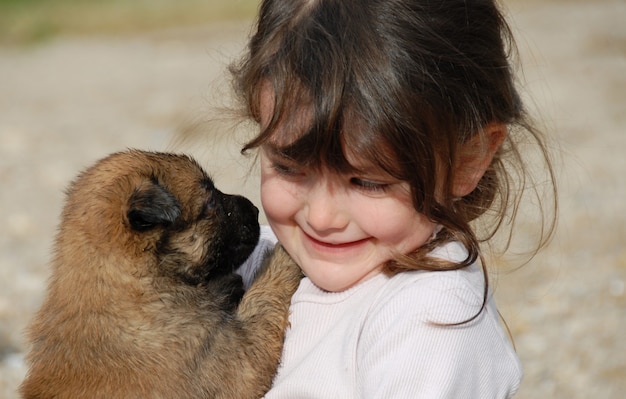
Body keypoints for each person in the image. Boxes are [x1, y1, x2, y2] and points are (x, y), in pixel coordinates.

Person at [231, 0, 557, 397]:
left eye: (367, 182)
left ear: (467, 161)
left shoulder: (429, 323)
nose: (321, 218)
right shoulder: (254, 260)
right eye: (288, 167)